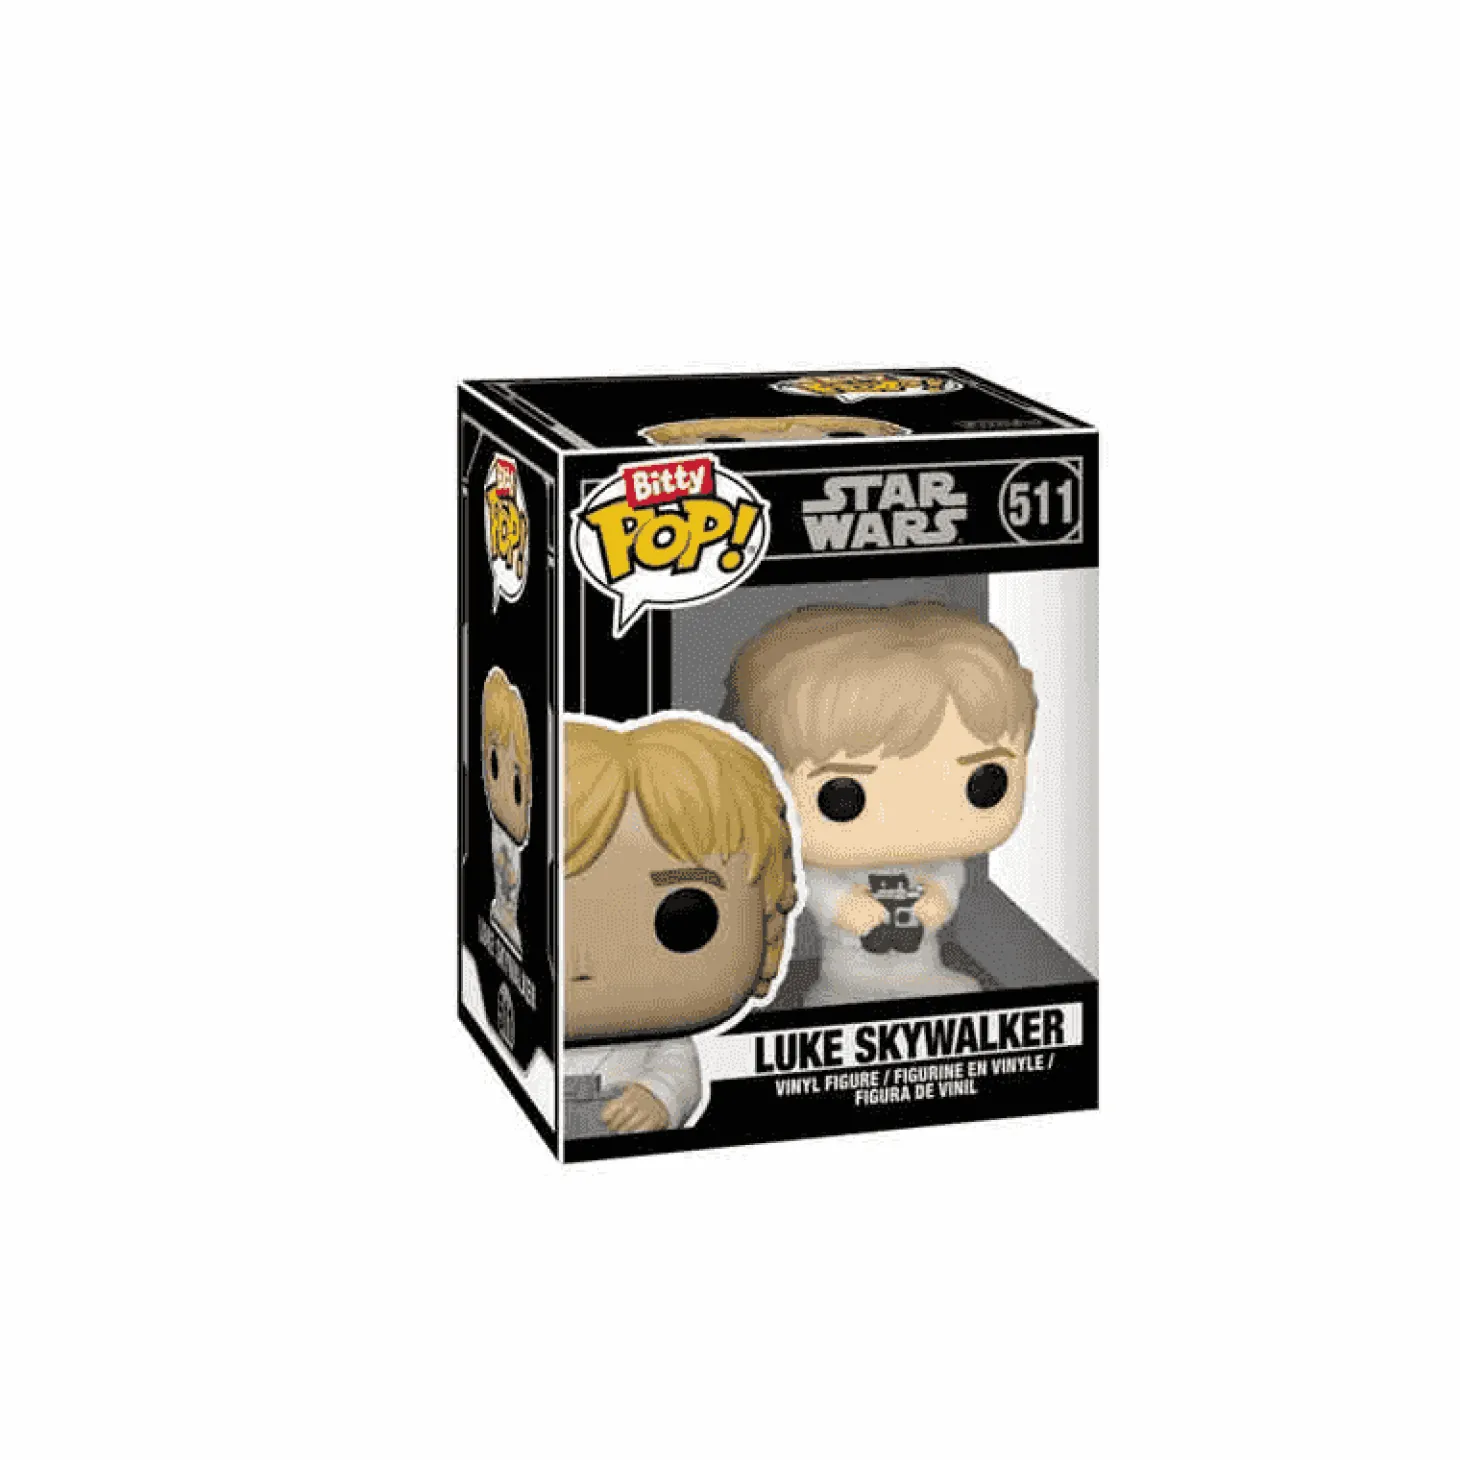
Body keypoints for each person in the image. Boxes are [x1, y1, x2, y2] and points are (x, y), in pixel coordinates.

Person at [726, 602, 1036, 1007]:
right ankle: (843, 995)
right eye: (841, 797)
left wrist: (936, 900)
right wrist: (846, 909)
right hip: (849, 971)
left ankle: (924, 984)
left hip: (923, 962)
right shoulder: (826, 867)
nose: (913, 819)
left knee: (927, 978)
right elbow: (814, 888)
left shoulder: (936, 861)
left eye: (984, 784)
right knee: (848, 990)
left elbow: (949, 878)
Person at [564, 716, 797, 1136]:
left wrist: (658, 1097)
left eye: (683, 919)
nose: (581, 962)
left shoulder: (661, 1037)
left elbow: (677, 1071)